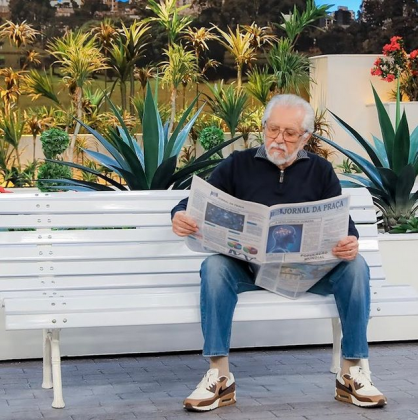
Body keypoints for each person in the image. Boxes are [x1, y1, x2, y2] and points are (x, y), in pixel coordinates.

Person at [171, 94, 387, 412]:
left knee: (357, 266)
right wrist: (180, 216)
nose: (279, 139)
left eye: (289, 133)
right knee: (214, 267)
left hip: (307, 273)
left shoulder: (321, 171)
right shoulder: (237, 165)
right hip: (248, 270)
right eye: (273, 130)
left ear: (306, 137)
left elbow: (345, 227)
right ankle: (219, 374)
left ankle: (351, 372)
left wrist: (350, 242)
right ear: (263, 128)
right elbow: (193, 204)